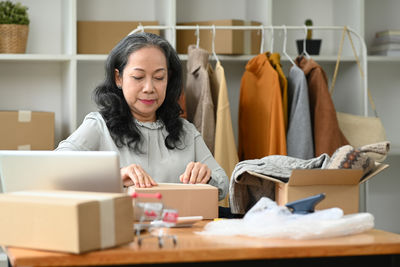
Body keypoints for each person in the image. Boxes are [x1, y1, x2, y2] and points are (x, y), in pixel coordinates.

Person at [56, 32, 228, 201]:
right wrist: (115, 176)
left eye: (159, 77)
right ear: (118, 78)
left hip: (178, 228)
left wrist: (206, 177)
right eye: (138, 77)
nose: (149, 88)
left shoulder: (186, 132)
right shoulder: (99, 126)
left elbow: (223, 186)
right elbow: (55, 169)